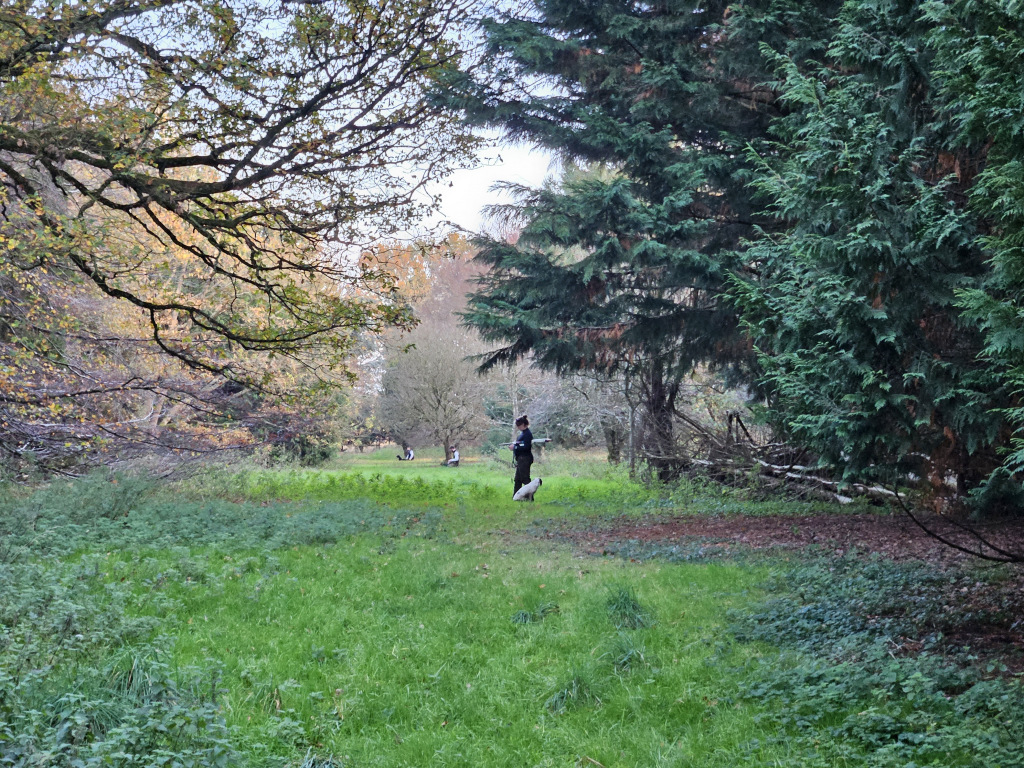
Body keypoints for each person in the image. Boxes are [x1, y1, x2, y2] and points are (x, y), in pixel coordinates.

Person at [510, 415, 533, 497]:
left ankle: (529, 497)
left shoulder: (527, 434)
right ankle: (516, 496)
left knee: (525, 479)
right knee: (518, 480)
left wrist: (515, 447)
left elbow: (526, 447)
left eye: (519, 425)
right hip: (521, 459)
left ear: (524, 424)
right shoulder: (523, 434)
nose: (518, 427)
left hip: (525, 458)